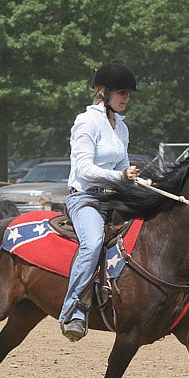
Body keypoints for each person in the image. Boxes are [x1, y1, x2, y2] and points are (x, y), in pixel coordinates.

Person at [59, 62, 141, 341]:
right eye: (121, 92)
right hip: (85, 198)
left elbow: (124, 167)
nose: (126, 97)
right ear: (103, 92)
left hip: (114, 197)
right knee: (93, 242)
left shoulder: (121, 127)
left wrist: (138, 181)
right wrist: (120, 175)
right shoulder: (86, 122)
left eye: (128, 93)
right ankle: (73, 310)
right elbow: (84, 170)